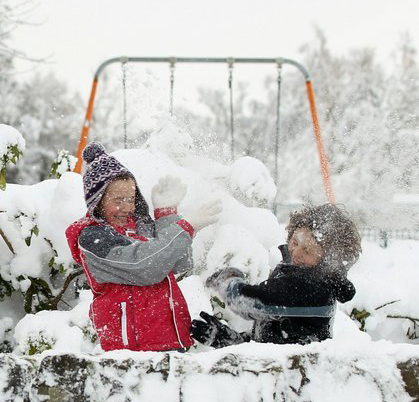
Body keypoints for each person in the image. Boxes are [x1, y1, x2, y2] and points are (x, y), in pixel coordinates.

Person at [66, 141, 222, 352]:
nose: (127, 207)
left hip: (171, 340)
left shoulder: (141, 226)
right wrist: (186, 227)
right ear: (97, 201)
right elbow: (145, 266)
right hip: (131, 349)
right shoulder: (93, 237)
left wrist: (167, 215)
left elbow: (179, 263)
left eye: (131, 199)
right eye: (118, 199)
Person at [191, 203, 361, 347]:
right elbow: (276, 336)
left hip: (294, 380)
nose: (296, 253)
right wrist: (231, 340)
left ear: (326, 260)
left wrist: (228, 281)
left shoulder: (311, 286)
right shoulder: (301, 275)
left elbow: (251, 303)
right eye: (295, 242)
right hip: (288, 374)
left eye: (308, 251)